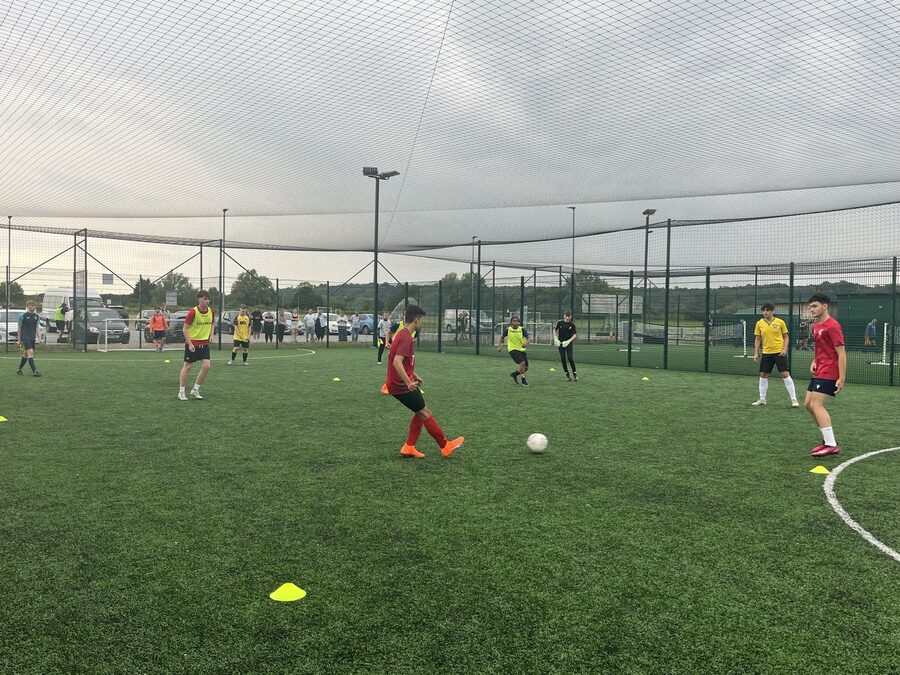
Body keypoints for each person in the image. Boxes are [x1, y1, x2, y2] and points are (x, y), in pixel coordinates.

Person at [385, 304, 464, 459]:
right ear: (416, 319)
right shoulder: (406, 337)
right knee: (425, 413)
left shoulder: (402, 334)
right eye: (421, 320)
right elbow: (396, 361)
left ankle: (409, 447)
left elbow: (398, 359)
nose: (422, 323)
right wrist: (408, 382)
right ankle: (445, 446)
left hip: (398, 383)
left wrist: (414, 375)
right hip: (401, 386)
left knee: (420, 412)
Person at [805, 293, 846, 458]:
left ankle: (831, 445)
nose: (811, 309)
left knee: (816, 405)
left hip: (830, 371)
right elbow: (822, 347)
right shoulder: (816, 326)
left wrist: (841, 378)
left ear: (825, 306)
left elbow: (841, 353)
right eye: (810, 307)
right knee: (808, 405)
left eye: (814, 306)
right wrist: (815, 360)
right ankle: (827, 439)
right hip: (820, 369)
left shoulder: (833, 326)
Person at [751, 303, 798, 408]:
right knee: (763, 375)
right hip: (766, 353)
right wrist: (756, 353)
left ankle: (794, 399)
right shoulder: (759, 323)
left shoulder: (780, 322)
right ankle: (762, 399)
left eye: (767, 310)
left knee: (785, 374)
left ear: (772, 311)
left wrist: (784, 349)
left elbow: (786, 337)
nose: (765, 312)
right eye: (763, 310)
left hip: (779, 352)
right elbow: (758, 339)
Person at [178, 290, 214, 400]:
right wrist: (190, 343)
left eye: (208, 299)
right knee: (187, 367)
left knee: (207, 366)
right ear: (199, 299)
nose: (207, 301)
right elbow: (185, 329)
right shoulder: (193, 312)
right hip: (193, 343)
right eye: (205, 299)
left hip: (204, 344)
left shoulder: (211, 311)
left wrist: (212, 335)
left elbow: (212, 324)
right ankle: (181, 392)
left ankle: (195, 389)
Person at [498, 315, 530, 386]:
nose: (515, 322)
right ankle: (523, 381)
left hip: (521, 350)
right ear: (511, 322)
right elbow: (501, 337)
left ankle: (514, 374)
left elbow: (529, 338)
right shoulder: (508, 330)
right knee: (522, 363)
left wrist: (526, 343)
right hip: (512, 349)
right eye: (514, 321)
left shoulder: (522, 329)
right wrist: (500, 346)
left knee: (525, 368)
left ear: (519, 323)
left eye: (517, 321)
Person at [16, 300, 43, 377]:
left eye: (34, 305)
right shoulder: (22, 315)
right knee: (30, 352)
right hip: (25, 336)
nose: (34, 307)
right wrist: (19, 339)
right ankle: (35, 371)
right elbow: (19, 328)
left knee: (26, 353)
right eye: (32, 305)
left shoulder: (37, 316)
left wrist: (40, 338)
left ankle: (19, 369)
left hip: (32, 337)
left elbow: (37, 328)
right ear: (28, 306)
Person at [553, 310, 578, 381]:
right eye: (566, 316)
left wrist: (569, 341)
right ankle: (567, 373)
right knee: (563, 358)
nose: (567, 318)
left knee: (570, 358)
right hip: (560, 344)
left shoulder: (572, 325)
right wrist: (555, 338)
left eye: (569, 316)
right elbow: (554, 330)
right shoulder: (559, 322)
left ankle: (574, 373)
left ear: (571, 317)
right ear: (564, 316)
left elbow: (574, 335)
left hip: (568, 344)